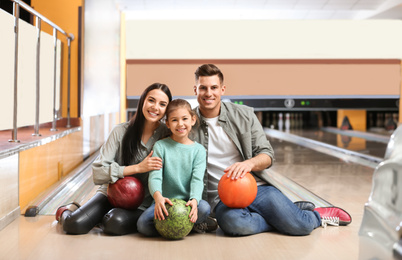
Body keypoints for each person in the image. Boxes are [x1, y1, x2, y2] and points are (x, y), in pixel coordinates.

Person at [191, 64, 352, 236]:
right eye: (203, 88)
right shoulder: (186, 123)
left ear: (222, 89)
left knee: (301, 227)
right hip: (222, 200)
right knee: (233, 224)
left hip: (256, 189)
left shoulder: (245, 115)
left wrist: (249, 164)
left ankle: (317, 216)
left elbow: (267, 155)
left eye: (214, 87)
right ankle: (286, 214)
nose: (209, 93)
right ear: (195, 90)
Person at [55, 83, 172, 235]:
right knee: (73, 225)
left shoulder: (167, 135)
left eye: (162, 104)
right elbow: (98, 172)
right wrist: (138, 168)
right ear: (143, 100)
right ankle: (68, 209)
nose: (155, 107)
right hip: (111, 194)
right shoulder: (120, 131)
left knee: (114, 224)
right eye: (151, 100)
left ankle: (100, 218)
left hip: (143, 203)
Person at [137, 99, 215, 236]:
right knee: (143, 225)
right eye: (174, 120)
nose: (180, 124)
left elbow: (197, 180)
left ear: (193, 120)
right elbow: (155, 177)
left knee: (204, 208)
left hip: (187, 202)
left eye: (185, 118)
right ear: (167, 123)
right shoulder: (160, 146)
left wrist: (194, 200)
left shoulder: (199, 150)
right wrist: (158, 198)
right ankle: (190, 226)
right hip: (164, 202)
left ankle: (181, 224)